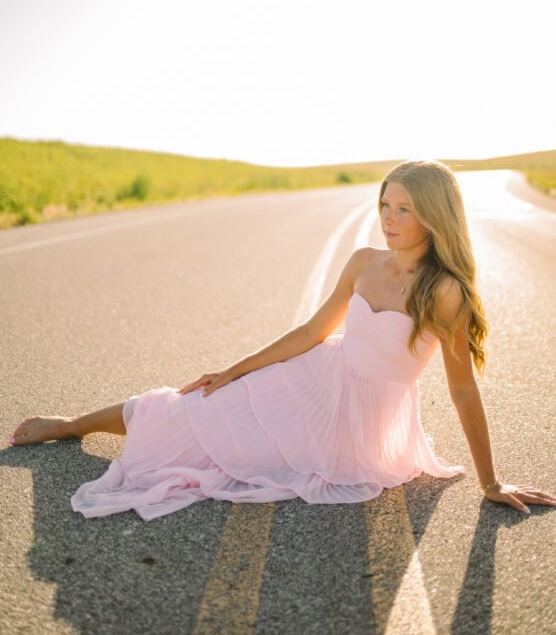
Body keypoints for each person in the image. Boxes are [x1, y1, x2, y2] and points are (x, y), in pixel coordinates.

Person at [9, 160, 555, 520]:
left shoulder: (446, 293)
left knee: (229, 454)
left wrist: (490, 480)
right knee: (192, 404)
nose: (389, 219)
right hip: (316, 377)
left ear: (433, 215)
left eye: (404, 209)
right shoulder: (364, 262)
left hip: (357, 428)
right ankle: (70, 425)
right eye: (385, 205)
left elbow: (462, 390)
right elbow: (314, 333)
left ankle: (84, 427)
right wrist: (236, 370)